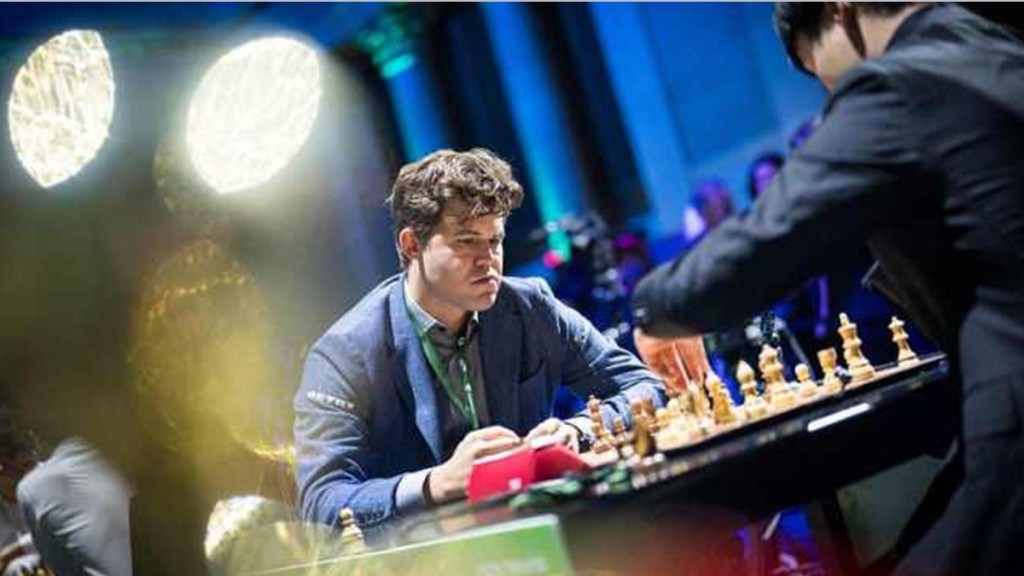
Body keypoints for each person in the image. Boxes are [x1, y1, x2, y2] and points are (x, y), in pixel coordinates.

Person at [632, 3, 1024, 575]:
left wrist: (656, 308)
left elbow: (767, 241)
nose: (831, 98)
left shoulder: (898, 82)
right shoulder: (1000, 49)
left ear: (840, 10)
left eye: (825, 79)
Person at [294, 148, 665, 530]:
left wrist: (578, 430)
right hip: (433, 553)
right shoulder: (345, 354)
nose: (488, 259)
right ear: (411, 245)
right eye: (466, 241)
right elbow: (321, 500)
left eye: (495, 241)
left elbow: (646, 386)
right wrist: (434, 483)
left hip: (545, 526)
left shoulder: (530, 306)